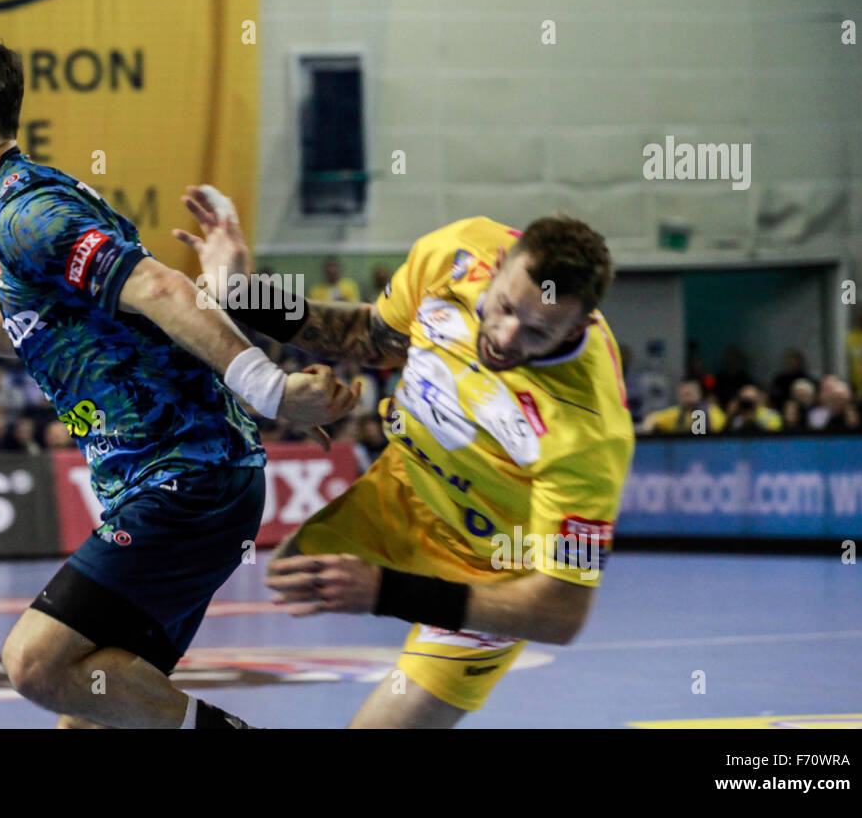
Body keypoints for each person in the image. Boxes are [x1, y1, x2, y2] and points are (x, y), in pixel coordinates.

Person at [0, 31, 358, 730]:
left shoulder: (27, 215)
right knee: (92, 717)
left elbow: (163, 288)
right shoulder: (12, 208)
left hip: (186, 481)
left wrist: (273, 391)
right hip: (186, 481)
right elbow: (39, 315)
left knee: (36, 662)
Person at [177, 186, 633, 728]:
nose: (507, 337)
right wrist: (248, 295)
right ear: (501, 263)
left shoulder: (589, 433)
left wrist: (384, 593)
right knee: (292, 572)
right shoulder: (456, 253)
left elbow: (561, 614)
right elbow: (372, 337)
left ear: (579, 327)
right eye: (506, 307)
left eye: (538, 332)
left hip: (493, 571)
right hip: (403, 491)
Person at [640, 379, 726, 435]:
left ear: (699, 394)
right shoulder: (676, 413)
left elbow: (722, 428)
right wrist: (647, 428)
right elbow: (652, 418)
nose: (685, 398)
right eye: (682, 395)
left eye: (688, 394)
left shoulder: (711, 412)